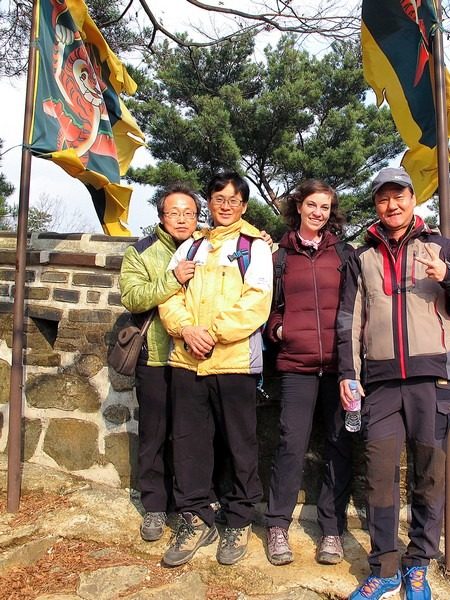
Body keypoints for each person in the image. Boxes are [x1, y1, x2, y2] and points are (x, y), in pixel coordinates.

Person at [338, 167, 450, 600]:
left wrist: (448, 275)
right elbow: (350, 320)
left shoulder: (439, 245)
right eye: (383, 198)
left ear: (413, 198)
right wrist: (350, 374)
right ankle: (384, 567)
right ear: (376, 205)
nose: (392, 205)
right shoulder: (361, 256)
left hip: (433, 380)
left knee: (430, 476)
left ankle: (418, 563)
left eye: (399, 195)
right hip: (380, 384)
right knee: (380, 475)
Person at [158, 171, 273, 567]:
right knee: (188, 444)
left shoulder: (253, 247)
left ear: (243, 205)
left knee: (240, 445)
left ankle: (239, 519)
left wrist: (213, 333)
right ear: (209, 201)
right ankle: (195, 517)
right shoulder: (190, 247)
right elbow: (169, 295)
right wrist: (186, 329)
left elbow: (258, 302)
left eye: (233, 199)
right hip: (186, 359)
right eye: (218, 198)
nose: (225, 205)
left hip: (234, 361)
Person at [264, 179, 354, 566]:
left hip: (340, 368)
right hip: (296, 366)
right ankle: (277, 525)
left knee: (340, 445)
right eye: (312, 205)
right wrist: (279, 330)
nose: (318, 212)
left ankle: (331, 530)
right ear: (298, 206)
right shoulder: (277, 256)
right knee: (290, 445)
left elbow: (358, 306)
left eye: (325, 207)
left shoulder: (345, 254)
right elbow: (265, 307)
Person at [119, 183, 201, 542]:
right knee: (153, 433)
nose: (182, 219)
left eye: (189, 213)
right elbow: (133, 298)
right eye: (174, 212)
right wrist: (172, 278)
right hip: (155, 356)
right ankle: (154, 505)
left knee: (194, 437)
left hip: (197, 356)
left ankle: (193, 505)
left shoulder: (208, 246)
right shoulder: (141, 252)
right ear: (161, 217)